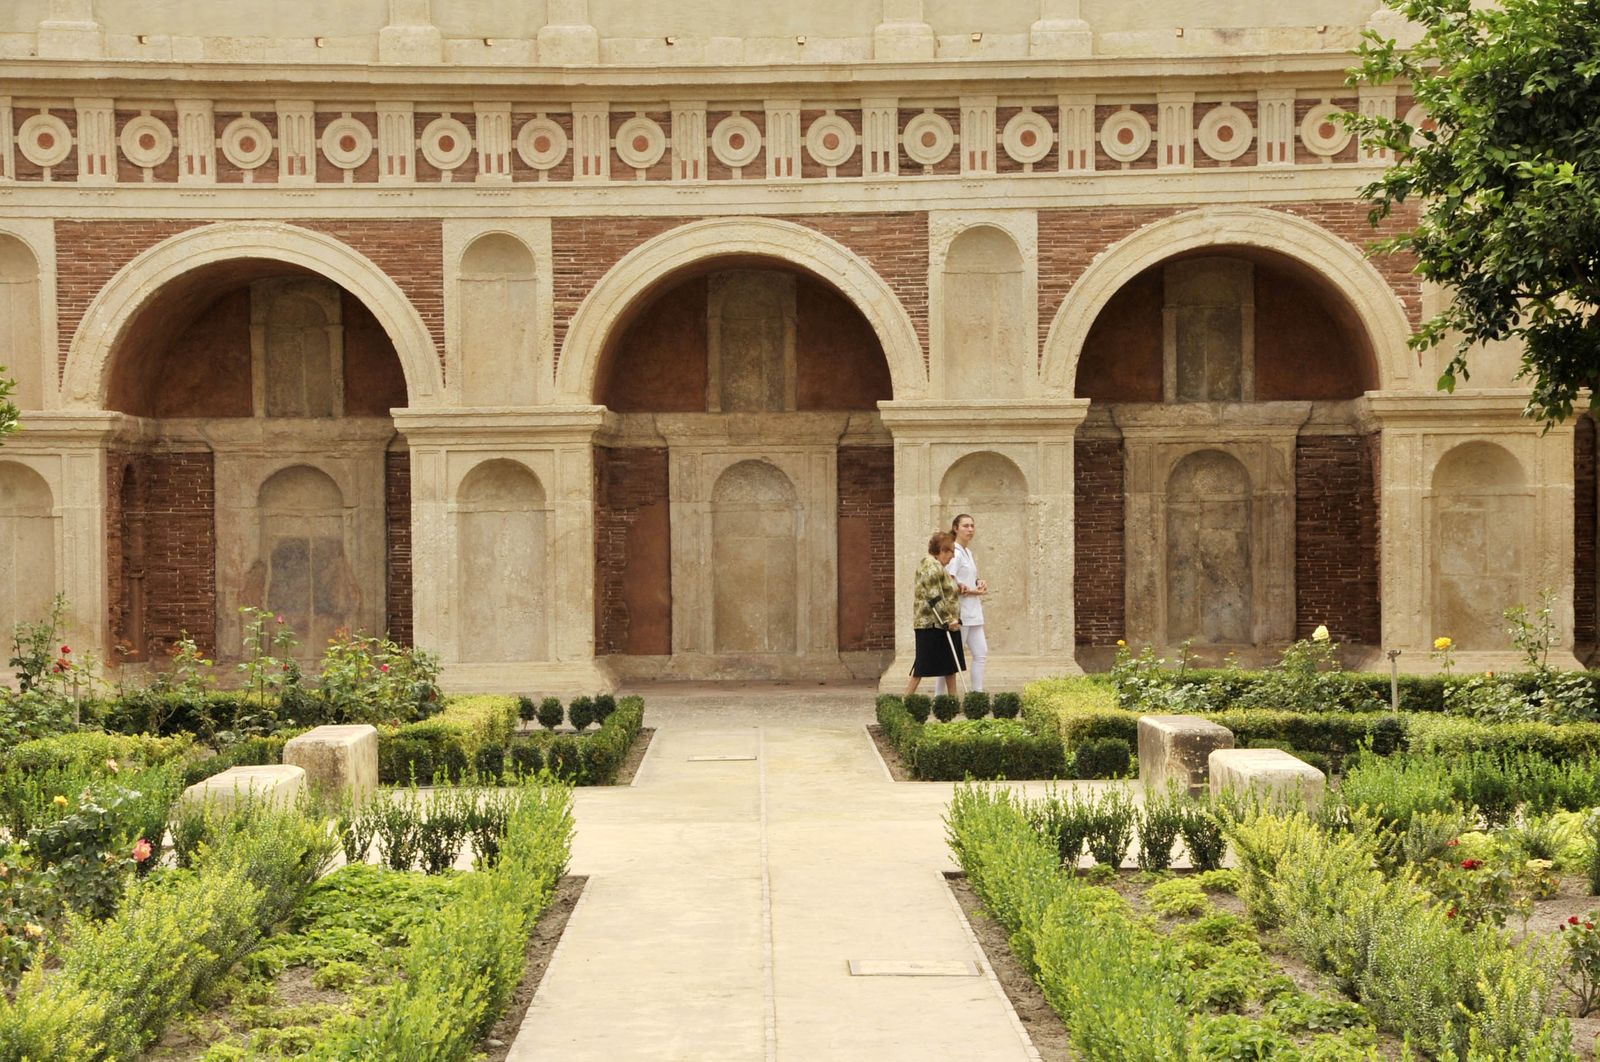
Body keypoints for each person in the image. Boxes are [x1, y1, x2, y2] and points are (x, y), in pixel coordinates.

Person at [906, 530, 965, 696]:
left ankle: (953, 701)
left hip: (940, 624)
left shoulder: (935, 565)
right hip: (934, 624)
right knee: (922, 666)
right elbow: (935, 597)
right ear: (942, 550)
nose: (953, 556)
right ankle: (906, 700)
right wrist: (949, 620)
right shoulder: (932, 567)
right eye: (951, 551)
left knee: (950, 666)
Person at [938, 513, 987, 693]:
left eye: (972, 526)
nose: (970, 529)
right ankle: (939, 697)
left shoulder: (968, 552)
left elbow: (966, 577)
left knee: (981, 653)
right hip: (960, 613)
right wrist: (972, 591)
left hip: (974, 612)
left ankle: (977, 694)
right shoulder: (956, 553)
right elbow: (949, 582)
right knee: (951, 659)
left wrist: (979, 582)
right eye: (966, 526)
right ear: (956, 528)